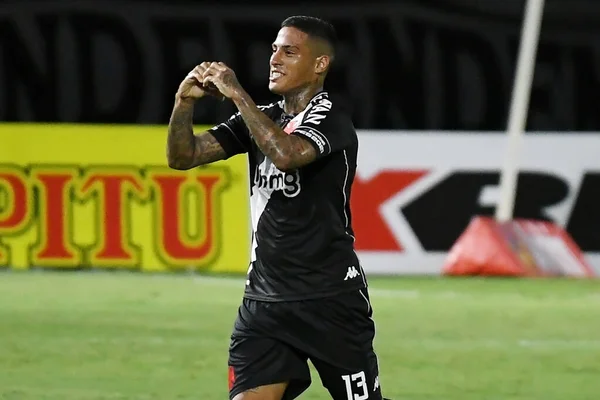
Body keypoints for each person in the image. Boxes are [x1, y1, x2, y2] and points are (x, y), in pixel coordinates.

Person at [166, 15, 386, 400]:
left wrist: (236, 93)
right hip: (264, 304)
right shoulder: (262, 117)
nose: (275, 59)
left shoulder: (332, 119)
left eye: (289, 51)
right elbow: (184, 156)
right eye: (273, 50)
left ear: (320, 64)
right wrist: (183, 102)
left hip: (330, 300)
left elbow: (286, 154)